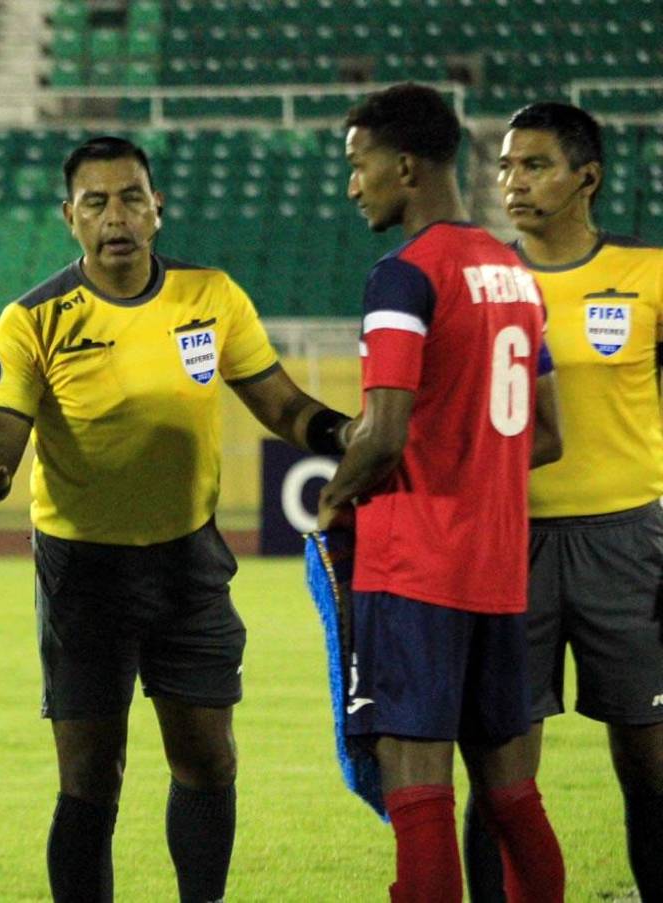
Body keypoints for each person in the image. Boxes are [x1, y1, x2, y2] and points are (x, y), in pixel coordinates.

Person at [0, 135, 353, 902]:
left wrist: (344, 433)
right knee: (92, 777)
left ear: (158, 207)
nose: (115, 216)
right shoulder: (32, 319)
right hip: (83, 572)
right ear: (70, 217)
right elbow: (0, 432)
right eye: (95, 202)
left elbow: (283, 404)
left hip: (189, 561)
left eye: (131, 196)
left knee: (208, 757)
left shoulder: (212, 296)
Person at [315, 83, 566, 902]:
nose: (354, 185)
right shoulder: (516, 276)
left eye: (361, 165)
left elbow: (382, 433)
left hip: (416, 569)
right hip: (498, 573)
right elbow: (548, 435)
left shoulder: (403, 277)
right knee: (513, 792)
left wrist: (334, 500)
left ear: (406, 165)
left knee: (419, 792)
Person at [461, 102, 663, 903]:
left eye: (534, 164)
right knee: (500, 771)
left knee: (649, 767)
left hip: (629, 544)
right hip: (509, 547)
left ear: (589, 177)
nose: (513, 182)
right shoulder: (481, 284)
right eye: (506, 166)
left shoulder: (649, 275)